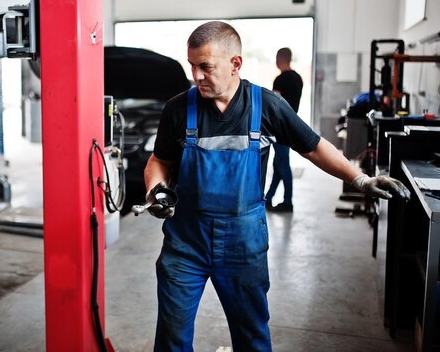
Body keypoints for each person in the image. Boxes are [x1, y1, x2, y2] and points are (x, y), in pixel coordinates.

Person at [143, 21, 410, 352]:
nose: (196, 75)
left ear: (235, 63)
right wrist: (156, 190)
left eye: (206, 67)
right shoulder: (178, 108)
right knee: (171, 338)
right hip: (185, 244)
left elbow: (314, 147)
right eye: (192, 65)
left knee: (252, 337)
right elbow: (160, 161)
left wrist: (361, 179)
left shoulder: (266, 106)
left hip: (243, 245)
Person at [264, 47, 303, 213]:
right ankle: (268, 198)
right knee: (278, 163)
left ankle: (288, 202)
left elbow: (274, 105)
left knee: (283, 164)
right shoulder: (298, 78)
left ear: (279, 60)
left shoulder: (280, 80)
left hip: (279, 127)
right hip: (291, 125)